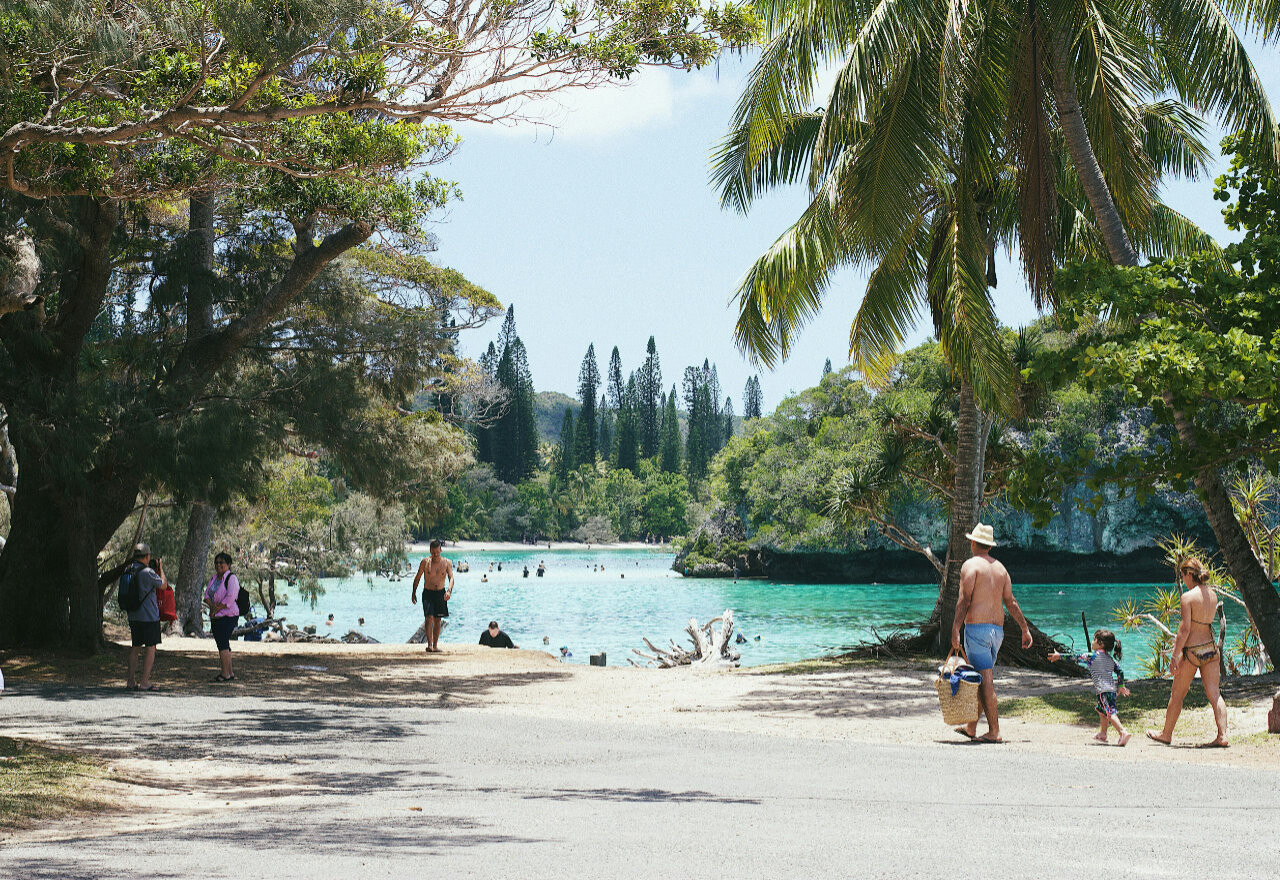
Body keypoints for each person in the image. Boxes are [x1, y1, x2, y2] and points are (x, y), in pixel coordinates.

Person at [950, 523, 1032, 743]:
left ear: (974, 542)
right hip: (997, 632)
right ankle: (971, 727)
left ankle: (994, 731)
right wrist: (1024, 629)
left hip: (977, 630)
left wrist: (956, 629)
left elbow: (964, 601)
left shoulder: (971, 565)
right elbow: (1011, 602)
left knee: (985, 680)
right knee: (980, 677)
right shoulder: (1001, 568)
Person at [1147, 557, 1229, 747]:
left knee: (1177, 694)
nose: (1182, 579)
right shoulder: (1212, 594)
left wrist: (1175, 656)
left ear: (1189, 574)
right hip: (1210, 649)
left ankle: (1166, 734)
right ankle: (1222, 735)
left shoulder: (1188, 597)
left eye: (1182, 575)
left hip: (1192, 651)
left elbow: (1184, 630)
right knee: (1215, 693)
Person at [1049, 629, 1132, 745]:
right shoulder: (1110, 659)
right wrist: (1121, 686)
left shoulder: (1092, 657)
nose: (1092, 642)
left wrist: (1059, 656)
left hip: (1103, 690)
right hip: (1111, 690)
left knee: (1109, 712)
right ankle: (1103, 734)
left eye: (1094, 639)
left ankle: (1123, 732)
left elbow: (1075, 657)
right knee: (1102, 711)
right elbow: (1120, 671)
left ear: (1101, 643)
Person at [124, 543, 166, 691]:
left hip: (133, 615)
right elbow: (163, 585)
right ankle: (145, 682)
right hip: (149, 616)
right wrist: (160, 569)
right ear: (147, 556)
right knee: (150, 648)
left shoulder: (128, 570)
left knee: (135, 647)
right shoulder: (148, 572)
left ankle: (131, 681)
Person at [411, 539, 454, 653]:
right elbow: (418, 577)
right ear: (430, 551)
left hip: (440, 593)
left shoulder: (447, 562)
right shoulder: (425, 562)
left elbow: (451, 578)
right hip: (428, 593)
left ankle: (435, 645)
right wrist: (413, 592)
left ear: (440, 550)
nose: (435, 554)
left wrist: (449, 591)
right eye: (433, 552)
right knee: (428, 618)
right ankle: (429, 645)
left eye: (437, 552)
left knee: (437, 619)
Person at [204, 551, 240, 683]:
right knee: (223, 644)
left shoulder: (231, 578)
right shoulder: (214, 578)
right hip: (216, 616)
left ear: (228, 564)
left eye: (222, 562)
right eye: (217, 562)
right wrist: (212, 608)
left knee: (223, 644)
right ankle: (229, 672)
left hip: (228, 616)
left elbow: (230, 598)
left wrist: (216, 608)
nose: (219, 565)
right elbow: (207, 595)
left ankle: (225, 673)